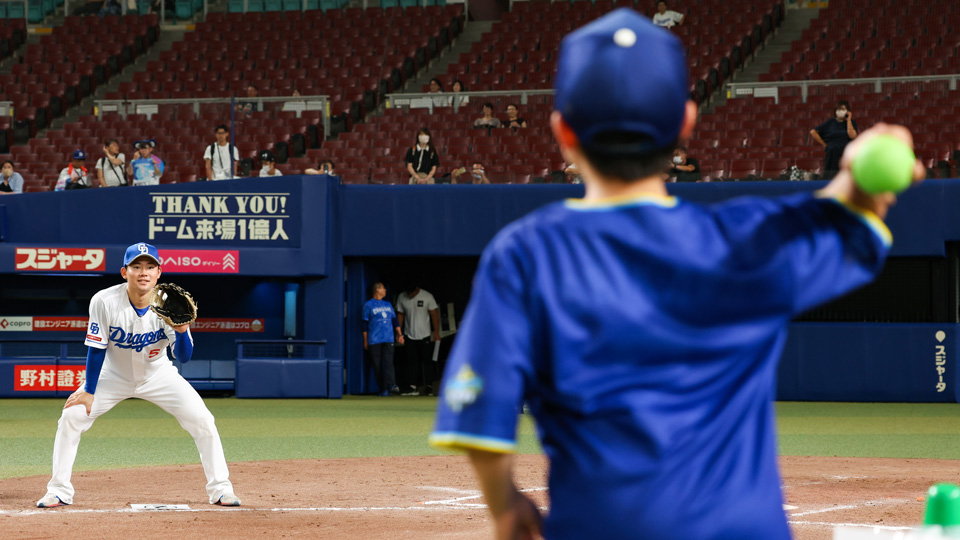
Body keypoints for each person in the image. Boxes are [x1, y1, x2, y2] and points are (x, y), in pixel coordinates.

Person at [429, 9, 922, 540]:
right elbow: (848, 217)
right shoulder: (744, 240)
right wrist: (862, 173)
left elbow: (479, 414)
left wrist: (506, 506)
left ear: (562, 130)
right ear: (686, 123)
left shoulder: (526, 254)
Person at [36, 242, 242, 509]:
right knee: (72, 416)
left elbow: (184, 357)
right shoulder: (104, 300)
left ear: (159, 273)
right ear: (125, 272)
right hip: (113, 376)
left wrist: (181, 332)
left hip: (159, 376)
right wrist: (89, 389)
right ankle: (59, 490)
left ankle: (221, 489)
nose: (143, 272)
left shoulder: (170, 304)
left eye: (150, 266)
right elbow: (96, 349)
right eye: (136, 266)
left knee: (203, 420)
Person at [396, 285, 441, 396]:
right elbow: (400, 314)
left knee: (427, 362)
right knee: (411, 362)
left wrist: (436, 332)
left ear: (417, 289)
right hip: (409, 334)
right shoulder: (402, 297)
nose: (410, 295)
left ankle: (429, 387)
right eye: (409, 293)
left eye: (413, 293)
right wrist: (398, 333)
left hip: (425, 334)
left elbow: (434, 314)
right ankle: (412, 387)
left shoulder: (427, 296)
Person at [361, 282, 404, 397]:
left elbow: (395, 320)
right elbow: (364, 324)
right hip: (374, 339)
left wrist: (400, 334)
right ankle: (383, 388)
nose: (385, 290)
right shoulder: (368, 305)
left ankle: (392, 386)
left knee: (389, 363)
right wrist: (365, 340)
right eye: (383, 288)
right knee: (377, 365)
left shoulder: (388, 304)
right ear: (377, 290)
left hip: (388, 338)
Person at [811, 100, 859, 179]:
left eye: (843, 109)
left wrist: (849, 120)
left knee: (845, 176)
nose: (840, 111)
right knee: (830, 177)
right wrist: (824, 144)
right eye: (838, 109)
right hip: (832, 154)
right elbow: (813, 132)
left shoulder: (852, 122)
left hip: (845, 153)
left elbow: (853, 136)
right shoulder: (830, 122)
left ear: (847, 111)